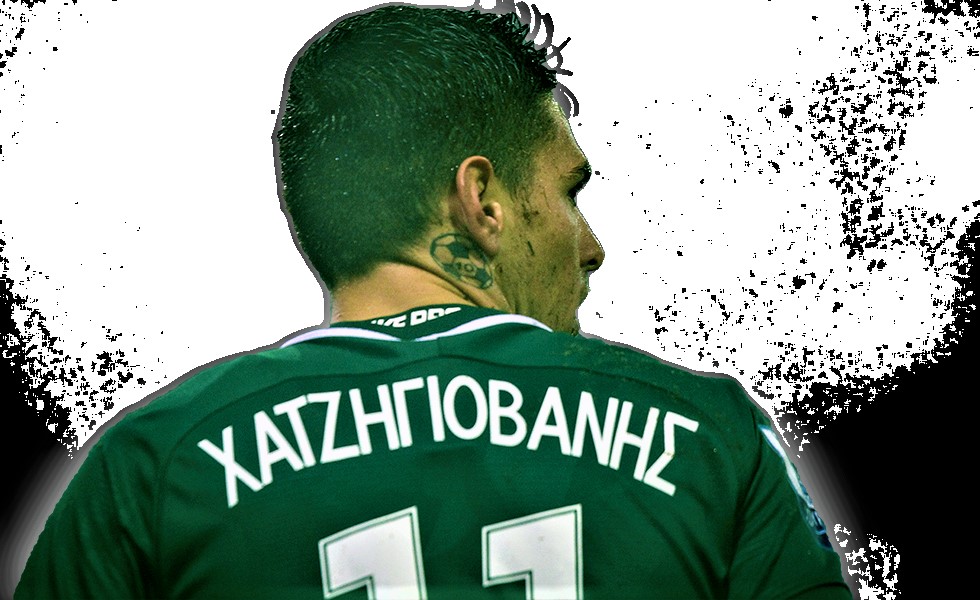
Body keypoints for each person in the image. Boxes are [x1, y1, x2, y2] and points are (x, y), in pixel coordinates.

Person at [15, 4, 852, 599]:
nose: (591, 245)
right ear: (481, 199)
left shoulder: (158, 463)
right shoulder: (708, 436)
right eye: (569, 190)